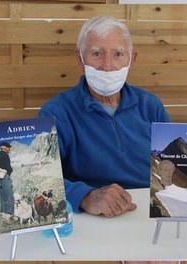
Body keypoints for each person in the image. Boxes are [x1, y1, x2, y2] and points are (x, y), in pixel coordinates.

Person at [38, 16, 171, 218]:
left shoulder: (151, 106)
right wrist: (85, 196)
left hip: (150, 211)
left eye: (118, 54)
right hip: (92, 218)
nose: (107, 66)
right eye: (96, 53)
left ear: (131, 59)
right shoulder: (56, 113)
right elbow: (41, 176)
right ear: (80, 59)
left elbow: (172, 164)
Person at [0, 141, 14, 216]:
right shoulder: (5, 155)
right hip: (5, 177)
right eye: (8, 147)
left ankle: (3, 213)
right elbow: (8, 167)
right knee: (9, 196)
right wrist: (10, 170)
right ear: (4, 147)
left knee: (3, 196)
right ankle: (9, 214)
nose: (9, 149)